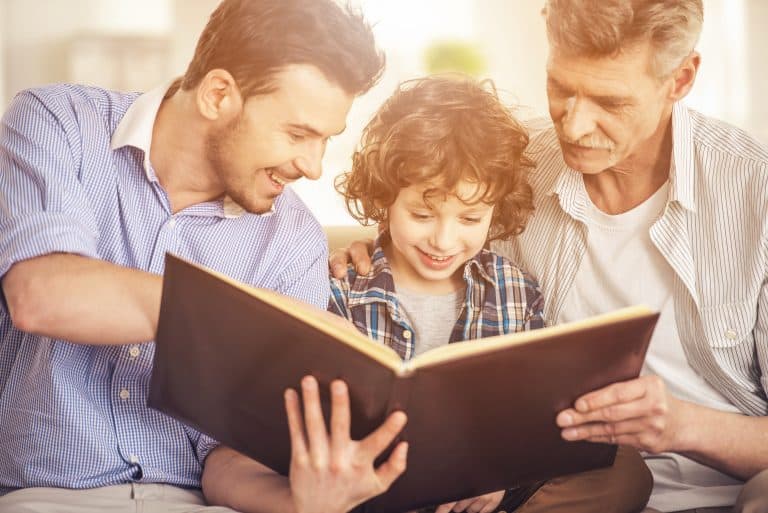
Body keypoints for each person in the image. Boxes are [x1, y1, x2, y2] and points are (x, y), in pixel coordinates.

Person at [330, 1, 768, 512]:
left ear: (681, 78)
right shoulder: (516, 163)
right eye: (561, 87)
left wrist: (682, 424)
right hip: (538, 476)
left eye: (610, 101)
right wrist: (375, 246)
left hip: (725, 491)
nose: (576, 126)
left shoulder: (753, 192)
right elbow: (430, 208)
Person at [0, 1, 409, 512]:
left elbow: (229, 456)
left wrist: (306, 505)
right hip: (42, 497)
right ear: (218, 95)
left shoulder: (293, 238)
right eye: (298, 133)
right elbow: (43, 295)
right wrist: (270, 322)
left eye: (325, 140)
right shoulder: (58, 123)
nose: (313, 166)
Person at [327, 75, 651, 513]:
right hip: (378, 486)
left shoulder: (514, 290)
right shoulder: (346, 287)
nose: (443, 240)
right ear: (385, 198)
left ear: (496, 209)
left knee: (624, 469)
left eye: (470, 218)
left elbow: (533, 417)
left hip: (484, 491)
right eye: (422, 213)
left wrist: (500, 476)